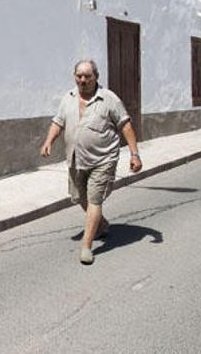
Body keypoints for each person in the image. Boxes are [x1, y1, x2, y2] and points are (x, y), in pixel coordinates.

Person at [40, 59, 142, 265]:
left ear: (96, 77)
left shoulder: (109, 99)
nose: (83, 80)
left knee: (95, 199)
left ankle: (86, 246)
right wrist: (48, 141)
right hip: (76, 158)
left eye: (88, 76)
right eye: (79, 76)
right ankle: (101, 224)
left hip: (103, 159)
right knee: (80, 197)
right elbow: (58, 121)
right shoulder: (68, 98)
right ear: (74, 76)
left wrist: (134, 154)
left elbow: (125, 124)